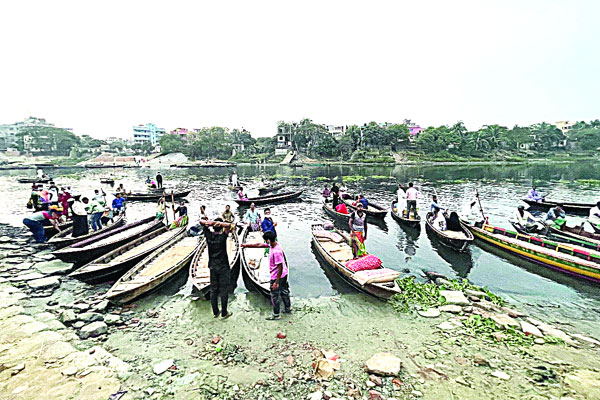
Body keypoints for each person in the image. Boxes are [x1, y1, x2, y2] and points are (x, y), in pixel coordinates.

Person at [199, 218, 234, 319]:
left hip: (213, 266)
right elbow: (229, 226)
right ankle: (224, 312)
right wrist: (217, 223)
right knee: (224, 290)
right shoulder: (223, 237)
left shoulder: (209, 236)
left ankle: (215, 312)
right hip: (223, 267)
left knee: (213, 289)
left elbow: (200, 222)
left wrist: (209, 223)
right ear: (220, 228)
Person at [264, 230, 291, 320]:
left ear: (268, 240)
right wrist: (247, 245)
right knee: (284, 291)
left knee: (274, 295)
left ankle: (276, 314)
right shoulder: (275, 244)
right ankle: (288, 308)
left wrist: (276, 282)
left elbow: (280, 267)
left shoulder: (276, 252)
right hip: (284, 274)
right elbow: (262, 245)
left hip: (277, 276)